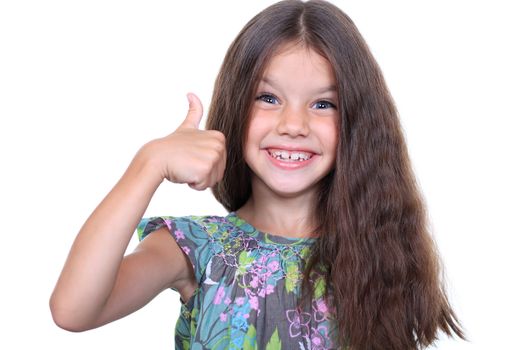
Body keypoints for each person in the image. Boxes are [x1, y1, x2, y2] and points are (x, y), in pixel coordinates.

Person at [50, 0, 466, 349]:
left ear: (357, 122)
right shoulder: (196, 249)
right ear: (236, 107)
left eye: (323, 104)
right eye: (268, 98)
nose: (293, 124)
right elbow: (73, 310)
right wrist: (148, 165)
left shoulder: (380, 254)